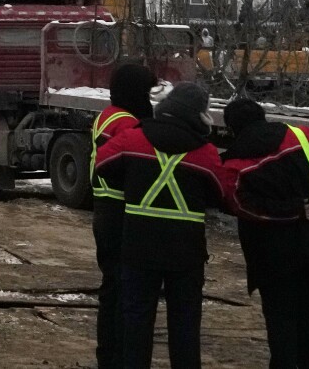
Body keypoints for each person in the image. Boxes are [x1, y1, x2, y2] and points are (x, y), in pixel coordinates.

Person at [95, 82, 230, 369]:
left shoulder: (134, 139)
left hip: (138, 247)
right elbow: (222, 194)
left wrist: (131, 182)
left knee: (136, 324)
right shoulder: (204, 153)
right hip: (186, 253)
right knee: (185, 327)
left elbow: (102, 164)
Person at [221, 97, 309, 369]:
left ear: (231, 128)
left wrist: (290, 210)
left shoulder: (233, 161)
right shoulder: (298, 135)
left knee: (281, 324)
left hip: (270, 257)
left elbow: (238, 204)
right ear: (262, 116)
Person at [90, 63, 158, 369]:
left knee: (111, 289)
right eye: (146, 92)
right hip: (120, 213)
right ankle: (115, 357)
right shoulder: (128, 124)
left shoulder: (109, 115)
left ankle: (107, 356)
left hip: (104, 210)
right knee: (122, 291)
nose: (149, 99)